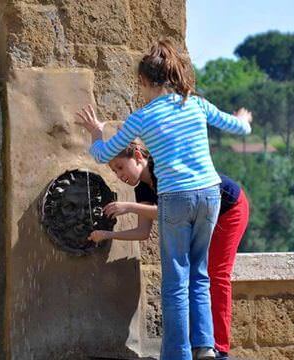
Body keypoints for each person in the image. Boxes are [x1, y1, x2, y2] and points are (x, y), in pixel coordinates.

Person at [76, 39, 252, 360]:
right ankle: (205, 349)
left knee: (176, 281)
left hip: (176, 198)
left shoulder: (142, 117)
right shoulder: (195, 103)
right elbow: (237, 126)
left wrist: (95, 133)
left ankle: (177, 355)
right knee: (200, 275)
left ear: (144, 81)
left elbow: (103, 153)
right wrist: (244, 119)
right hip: (210, 194)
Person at [89, 142, 249, 360]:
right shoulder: (142, 189)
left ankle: (218, 348)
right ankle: (198, 345)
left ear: (137, 156)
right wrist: (108, 235)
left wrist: (129, 207)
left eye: (120, 167)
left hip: (228, 209)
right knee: (192, 276)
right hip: (201, 216)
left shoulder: (163, 168)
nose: (119, 175)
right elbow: (142, 231)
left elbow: (176, 207)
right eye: (114, 171)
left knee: (215, 274)